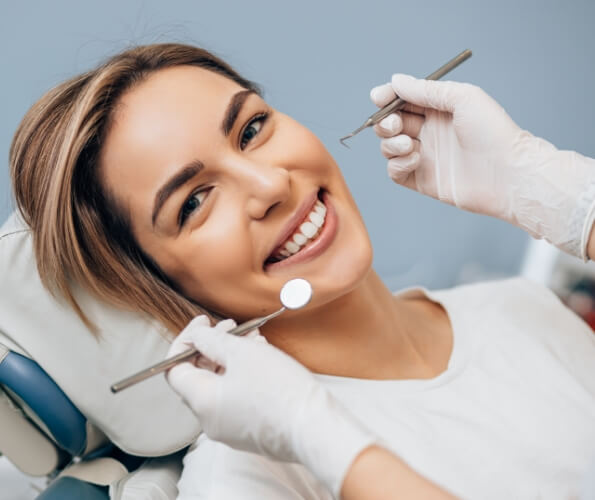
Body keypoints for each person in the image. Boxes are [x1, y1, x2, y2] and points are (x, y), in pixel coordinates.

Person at [8, 43, 595, 499]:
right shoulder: (247, 478)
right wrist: (320, 439)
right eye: (193, 202)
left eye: (252, 129)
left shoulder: (522, 308)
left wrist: (571, 206)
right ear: (155, 284)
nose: (270, 185)